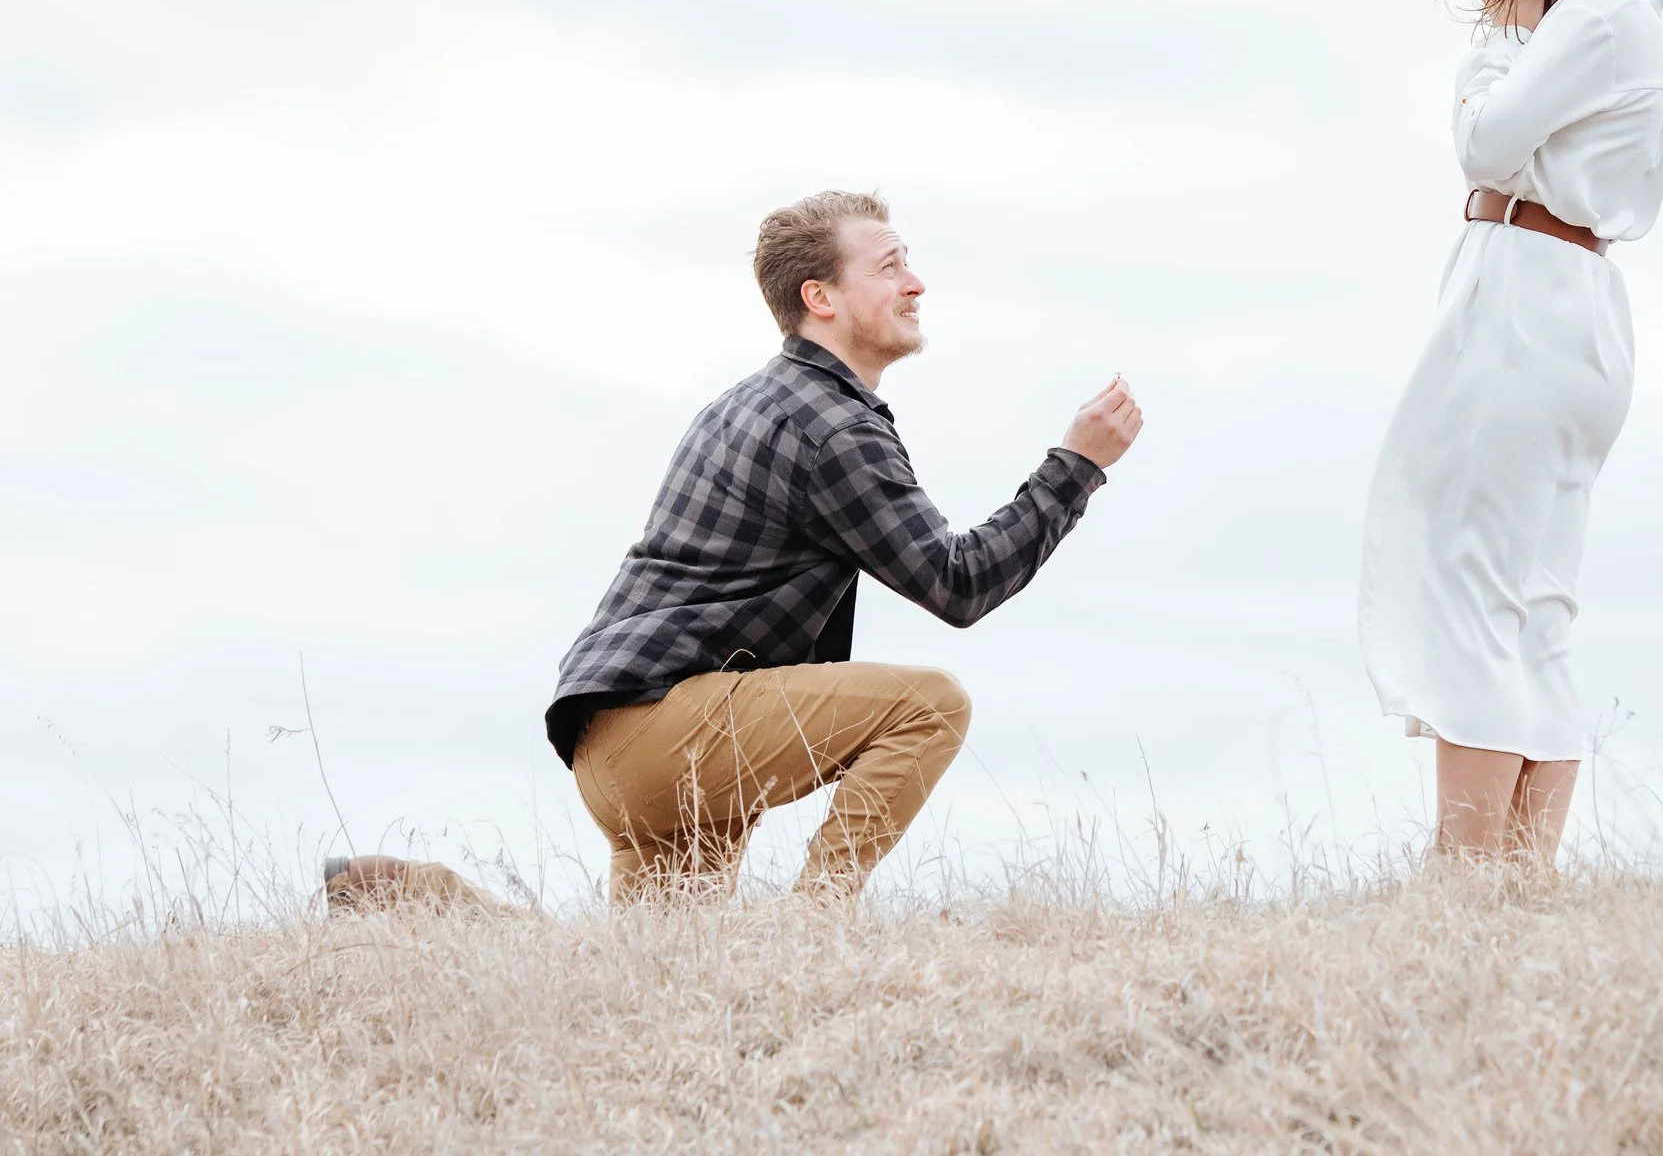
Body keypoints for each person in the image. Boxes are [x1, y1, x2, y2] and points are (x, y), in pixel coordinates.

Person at [327, 189, 1142, 910]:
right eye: (890, 266)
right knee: (931, 702)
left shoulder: (754, 401)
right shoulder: (830, 425)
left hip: (610, 738)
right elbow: (959, 584)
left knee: (655, 974)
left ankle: (424, 898)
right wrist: (1075, 467)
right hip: (669, 729)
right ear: (819, 296)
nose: (916, 283)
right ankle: (814, 926)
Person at [1357, 0, 1663, 865]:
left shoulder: (1592, 19)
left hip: (1530, 299)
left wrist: (1498, 33)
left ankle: (1466, 872)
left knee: (1470, 584)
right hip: (1568, 297)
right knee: (1533, 601)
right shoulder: (1619, 17)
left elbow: (1485, 143)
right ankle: (1518, 875)